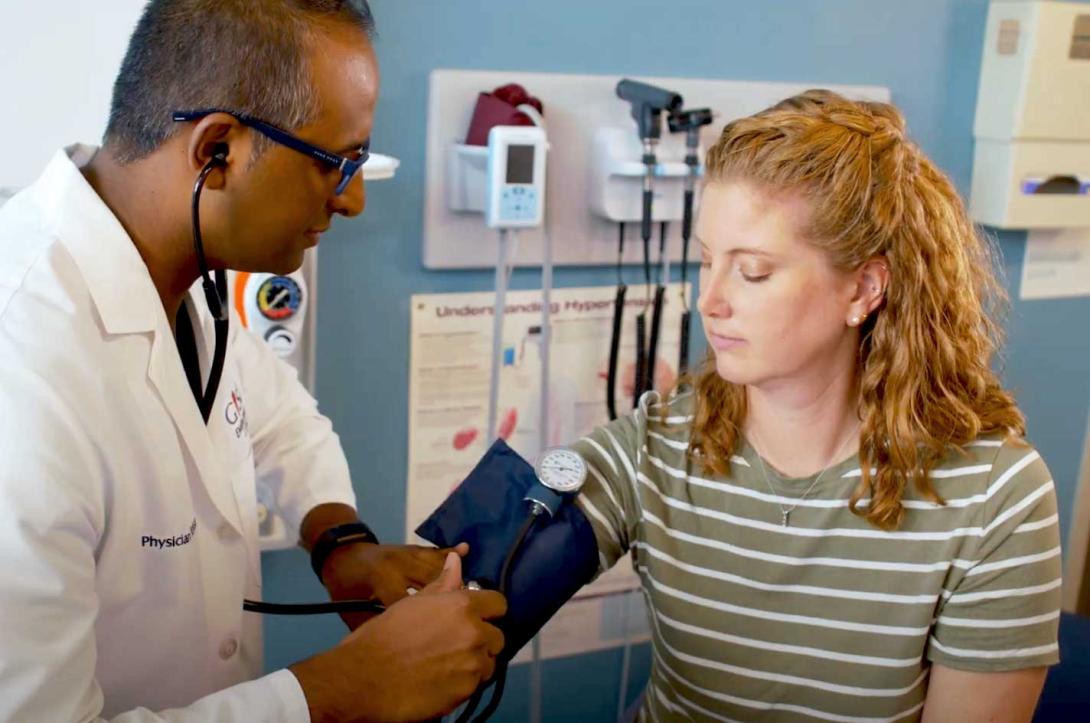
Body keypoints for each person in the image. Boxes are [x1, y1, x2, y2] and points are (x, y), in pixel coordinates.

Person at [0, 1, 505, 721]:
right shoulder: (22, 364)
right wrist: (345, 688)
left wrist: (341, 546)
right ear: (217, 151)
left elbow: (279, 417)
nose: (353, 199)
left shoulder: (180, 279)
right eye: (338, 162)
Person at [572, 90, 1062, 722]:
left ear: (862, 288)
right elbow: (485, 568)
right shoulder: (658, 444)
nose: (710, 301)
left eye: (751, 272)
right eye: (705, 262)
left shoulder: (993, 499)